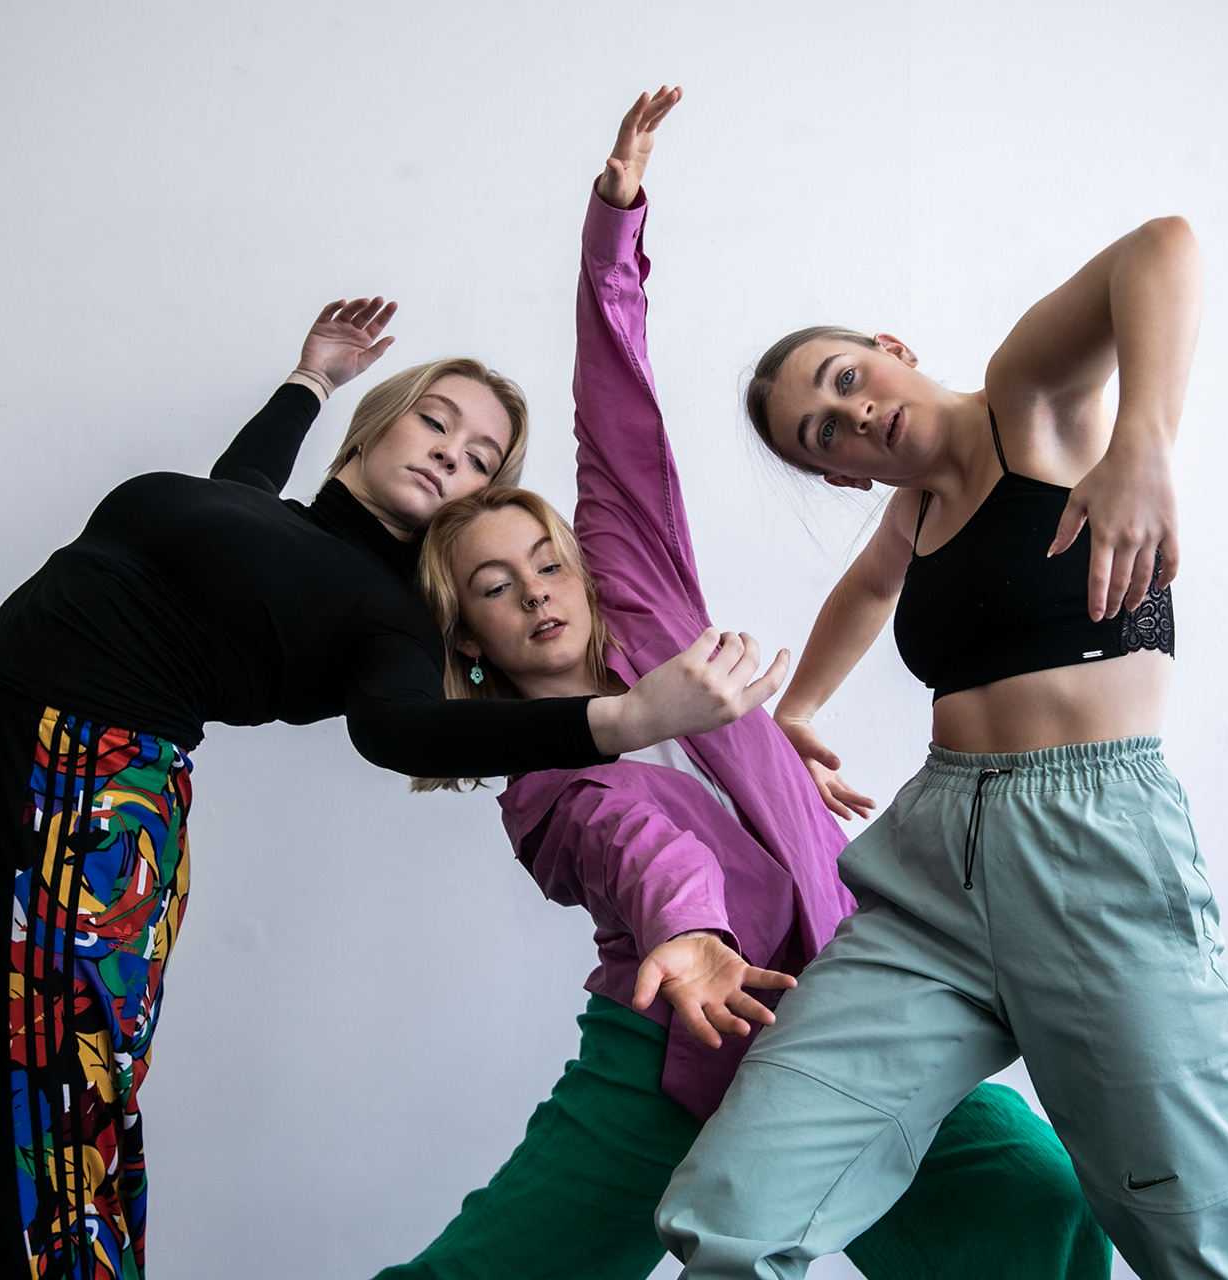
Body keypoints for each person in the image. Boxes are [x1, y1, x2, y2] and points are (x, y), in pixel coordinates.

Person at [0, 299, 788, 1280]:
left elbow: (396, 727)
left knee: (52, 1121)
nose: (451, 455)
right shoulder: (257, 514)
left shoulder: (393, 616)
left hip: (92, 785)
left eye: (479, 460)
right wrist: (310, 377)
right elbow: (237, 494)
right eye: (437, 425)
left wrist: (626, 719)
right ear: (380, 424)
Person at [376, 88, 1111, 1280]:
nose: (541, 591)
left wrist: (615, 223)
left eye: (548, 558)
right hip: (669, 1044)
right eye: (499, 589)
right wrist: (694, 935)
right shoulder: (538, 777)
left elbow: (617, 421)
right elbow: (628, 839)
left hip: (851, 1011)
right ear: (471, 642)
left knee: (1036, 1202)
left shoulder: (651, 599)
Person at [651, 137, 1228, 1280]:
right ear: (841, 475)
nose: (852, 417)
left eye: (848, 380)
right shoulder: (910, 516)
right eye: (824, 434)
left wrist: (1145, 441)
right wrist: (795, 709)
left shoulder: (1029, 401)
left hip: (1095, 848)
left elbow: (1161, 248)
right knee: (733, 1215)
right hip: (930, 876)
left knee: (1202, 1245)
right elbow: (864, 590)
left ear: (893, 351)